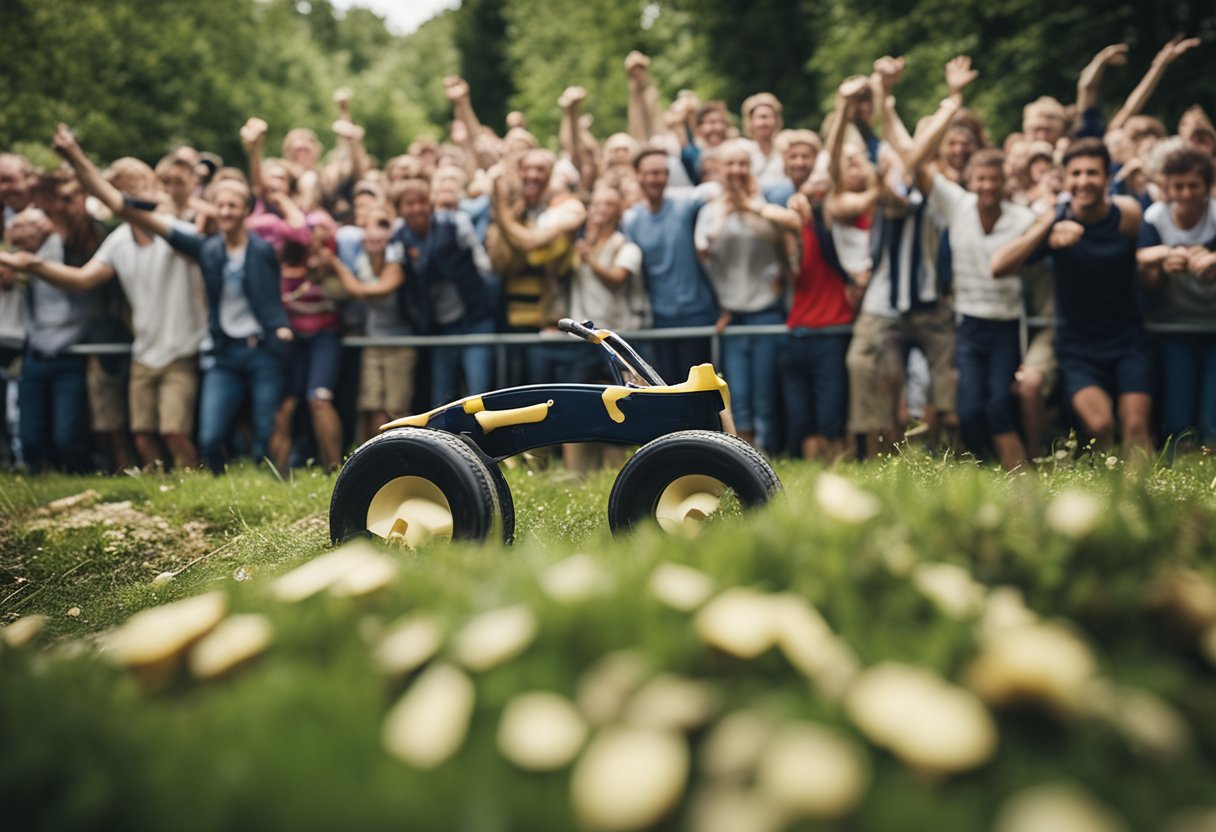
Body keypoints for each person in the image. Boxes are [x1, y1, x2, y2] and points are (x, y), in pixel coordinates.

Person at [53, 124, 294, 473]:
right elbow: (119, 204)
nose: (226, 211)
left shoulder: (263, 249)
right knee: (209, 438)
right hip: (224, 351)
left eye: (233, 205)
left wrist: (254, 150)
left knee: (263, 431)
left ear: (245, 211)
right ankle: (208, 487)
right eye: (220, 204)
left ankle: (266, 485)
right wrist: (74, 155)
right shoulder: (203, 247)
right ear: (213, 207)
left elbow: (260, 197)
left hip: (262, 349)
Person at [1, 156, 207, 470]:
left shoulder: (177, 231)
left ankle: (197, 487)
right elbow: (82, 279)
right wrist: (33, 265)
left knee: (174, 432)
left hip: (181, 349)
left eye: (135, 188)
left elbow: (128, 209)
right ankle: (161, 494)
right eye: (121, 190)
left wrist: (73, 154)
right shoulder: (119, 240)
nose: (128, 197)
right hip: (144, 351)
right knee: (141, 435)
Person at [992, 138, 1151, 454]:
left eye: (1092, 173)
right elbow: (999, 266)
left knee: (1135, 428)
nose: (1083, 181)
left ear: (1107, 178)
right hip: (1079, 346)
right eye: (1075, 174)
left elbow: (1146, 269)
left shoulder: (1129, 215)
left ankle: (1140, 498)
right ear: (1064, 179)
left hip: (1127, 339)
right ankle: (1105, 492)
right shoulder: (1056, 225)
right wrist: (1049, 226)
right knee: (1100, 426)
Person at [915, 108, 1038, 468]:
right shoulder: (958, 205)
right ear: (971, 180)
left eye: (993, 180)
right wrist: (948, 105)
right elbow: (917, 164)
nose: (986, 187)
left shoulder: (1023, 218)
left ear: (1005, 182)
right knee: (967, 409)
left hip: (1005, 323)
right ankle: (987, 468)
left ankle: (1021, 470)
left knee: (999, 403)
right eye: (980, 179)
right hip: (968, 323)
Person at [694, 140, 800, 452]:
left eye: (743, 164)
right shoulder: (709, 211)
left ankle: (766, 457)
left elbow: (785, 243)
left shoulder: (766, 204)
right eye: (731, 164)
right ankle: (743, 456)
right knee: (736, 392)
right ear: (720, 169)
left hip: (765, 309)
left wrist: (749, 205)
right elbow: (706, 252)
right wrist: (726, 210)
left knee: (765, 392)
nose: (737, 170)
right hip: (732, 313)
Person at [1136, 146, 1216, 451]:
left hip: (1212, 326)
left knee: (1211, 424)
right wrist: (1164, 263)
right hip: (1172, 328)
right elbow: (1142, 267)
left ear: (1206, 186)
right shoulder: (1156, 218)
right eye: (1178, 186)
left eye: (1193, 186)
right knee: (1178, 424)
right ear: (1167, 188)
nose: (1185, 194)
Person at [1, 207, 91, 473]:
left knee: (67, 434)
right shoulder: (23, 265)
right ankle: (41, 476)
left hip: (69, 352)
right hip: (34, 354)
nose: (18, 249)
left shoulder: (68, 253)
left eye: (21, 243)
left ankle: (76, 474)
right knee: (30, 436)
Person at [622, 148, 720, 385]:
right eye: (650, 173)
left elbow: (715, 189)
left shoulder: (684, 206)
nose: (656, 179)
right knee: (667, 389)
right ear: (638, 175)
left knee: (697, 391)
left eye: (662, 173)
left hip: (696, 316)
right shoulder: (631, 219)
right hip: (657, 321)